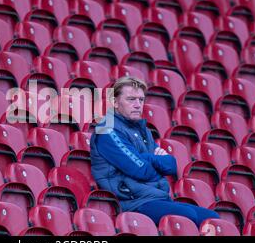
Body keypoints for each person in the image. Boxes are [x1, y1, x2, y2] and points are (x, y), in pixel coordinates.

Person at [90, 76, 219, 228]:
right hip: (132, 202)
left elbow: (170, 166)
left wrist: (145, 158)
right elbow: (141, 170)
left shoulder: (142, 130)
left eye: (141, 100)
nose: (138, 105)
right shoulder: (107, 130)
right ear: (115, 102)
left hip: (156, 197)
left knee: (213, 218)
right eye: (131, 99)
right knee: (187, 216)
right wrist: (153, 160)